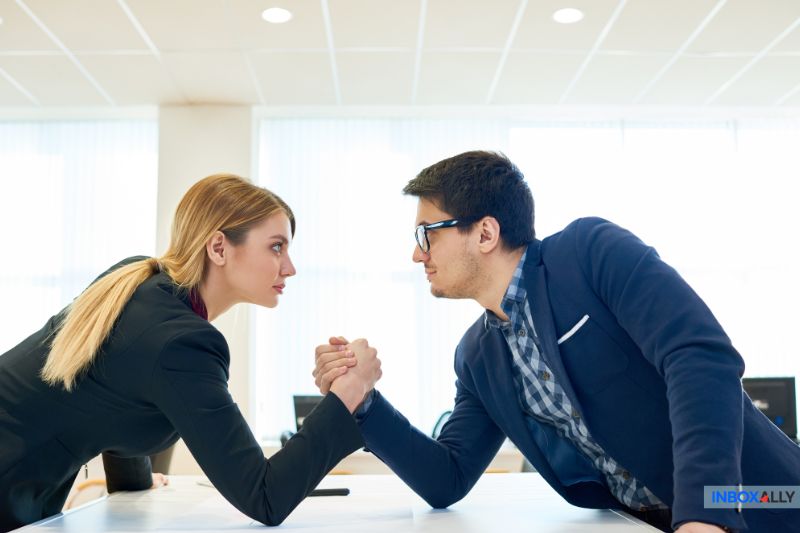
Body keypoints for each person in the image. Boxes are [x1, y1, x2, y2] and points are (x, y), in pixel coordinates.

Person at [314, 151, 800, 533]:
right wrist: (364, 402)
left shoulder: (590, 253)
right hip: (645, 523)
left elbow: (698, 357)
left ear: (485, 232)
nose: (417, 253)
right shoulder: (477, 356)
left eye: (427, 233)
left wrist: (703, 515)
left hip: (754, 497)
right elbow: (447, 477)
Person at [0, 174, 381, 532]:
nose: (290, 267)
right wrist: (346, 394)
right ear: (218, 247)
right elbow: (265, 497)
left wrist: (135, 482)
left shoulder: (144, 288)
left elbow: (113, 392)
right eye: (276, 247)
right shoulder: (182, 343)